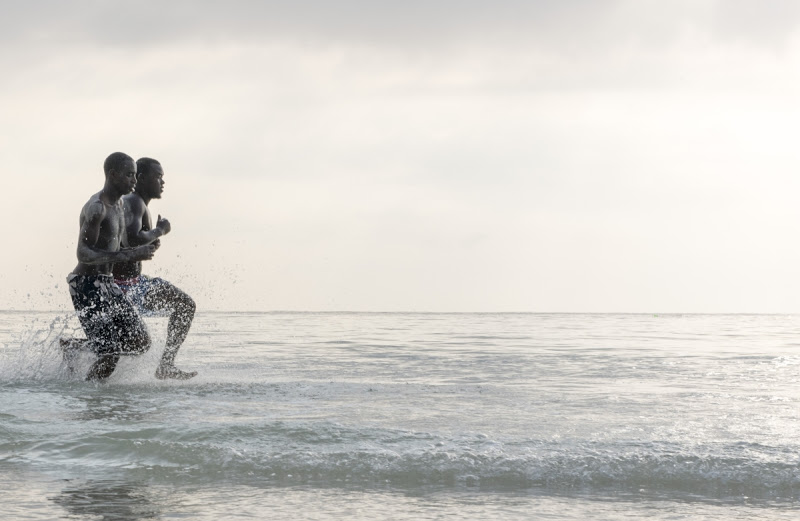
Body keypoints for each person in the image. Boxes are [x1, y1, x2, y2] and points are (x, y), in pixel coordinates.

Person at [66, 152, 157, 381]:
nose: (134, 180)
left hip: (107, 283)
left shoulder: (119, 205)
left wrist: (143, 247)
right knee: (110, 355)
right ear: (113, 174)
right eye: (129, 175)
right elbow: (83, 253)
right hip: (85, 284)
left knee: (140, 342)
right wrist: (131, 255)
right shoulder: (97, 208)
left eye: (135, 175)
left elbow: (117, 246)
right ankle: (90, 398)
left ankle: (74, 346)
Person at [111, 157, 197, 380]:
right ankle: (166, 365)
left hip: (131, 284)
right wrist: (160, 231)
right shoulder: (134, 201)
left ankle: (75, 346)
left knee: (126, 343)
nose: (162, 182)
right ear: (141, 178)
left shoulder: (136, 203)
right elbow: (132, 238)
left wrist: (149, 241)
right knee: (185, 305)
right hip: (125, 288)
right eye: (158, 177)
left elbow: (129, 241)